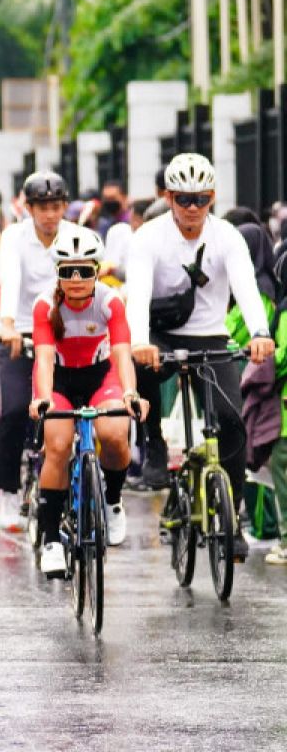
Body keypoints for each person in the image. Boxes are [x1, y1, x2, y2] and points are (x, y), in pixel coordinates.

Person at [127, 153, 274, 560]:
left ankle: (233, 517)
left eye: (202, 199)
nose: (192, 208)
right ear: (170, 197)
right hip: (160, 334)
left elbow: (246, 287)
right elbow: (135, 294)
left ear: (212, 198)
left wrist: (260, 332)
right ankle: (153, 445)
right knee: (141, 368)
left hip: (211, 337)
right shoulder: (148, 238)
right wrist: (141, 340)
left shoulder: (226, 235)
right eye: (184, 199)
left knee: (231, 424)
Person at [27, 226, 146, 576]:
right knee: (59, 445)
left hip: (101, 375)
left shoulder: (110, 301)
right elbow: (45, 360)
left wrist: (130, 393)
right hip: (59, 380)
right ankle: (50, 540)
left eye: (84, 271)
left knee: (114, 433)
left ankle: (111, 500)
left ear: (98, 271)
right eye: (67, 272)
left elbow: (123, 354)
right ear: (58, 274)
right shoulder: (45, 306)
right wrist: (44, 399)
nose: (76, 279)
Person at [0, 171, 79, 531]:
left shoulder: (78, 236)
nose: (49, 214)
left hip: (67, 335)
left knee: (78, 412)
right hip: (23, 332)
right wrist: (7, 322)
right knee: (14, 410)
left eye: (56, 206)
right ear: (28, 208)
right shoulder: (14, 237)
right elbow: (9, 278)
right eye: (42, 207)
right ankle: (9, 493)